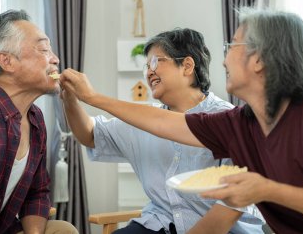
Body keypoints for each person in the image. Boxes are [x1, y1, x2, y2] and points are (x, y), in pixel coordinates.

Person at [60, 7, 303, 234]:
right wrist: (89, 98)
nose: (223, 60)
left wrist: (267, 190)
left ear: (259, 58)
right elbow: (165, 123)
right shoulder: (240, 123)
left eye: (232, 45)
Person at [61, 28, 264, 234]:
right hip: (160, 222)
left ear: (187, 66)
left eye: (156, 62)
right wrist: (70, 100)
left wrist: (93, 97)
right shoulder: (145, 119)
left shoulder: (225, 120)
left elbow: (232, 207)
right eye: (147, 66)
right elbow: (91, 135)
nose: (149, 72)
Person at [0, 10, 78, 234]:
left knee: (63, 230)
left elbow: (36, 194)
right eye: (44, 49)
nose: (55, 58)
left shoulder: (35, 118)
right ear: (7, 61)